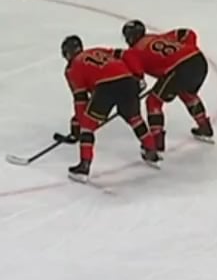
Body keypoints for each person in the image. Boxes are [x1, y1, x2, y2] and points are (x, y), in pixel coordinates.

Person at [60, 35, 157, 182]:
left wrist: (81, 123)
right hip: (128, 81)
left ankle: (84, 167)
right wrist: (138, 75)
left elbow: (80, 100)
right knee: (135, 118)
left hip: (105, 87)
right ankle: (151, 151)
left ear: (67, 53)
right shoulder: (98, 50)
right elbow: (127, 54)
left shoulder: (72, 68)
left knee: (87, 126)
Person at [119, 19, 215, 151]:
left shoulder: (133, 53)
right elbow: (188, 33)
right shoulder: (157, 37)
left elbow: (136, 77)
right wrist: (186, 50)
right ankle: (204, 126)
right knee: (187, 93)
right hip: (198, 60)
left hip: (179, 70)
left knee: (153, 101)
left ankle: (156, 141)